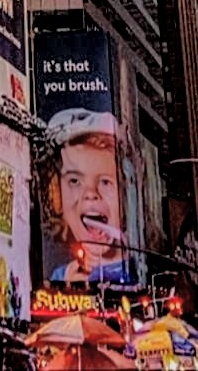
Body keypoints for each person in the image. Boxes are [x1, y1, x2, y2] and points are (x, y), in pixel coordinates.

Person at [43, 108, 134, 286]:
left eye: (105, 182)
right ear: (57, 196)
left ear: (124, 194)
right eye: (75, 181)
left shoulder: (137, 272)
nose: (91, 194)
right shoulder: (59, 277)